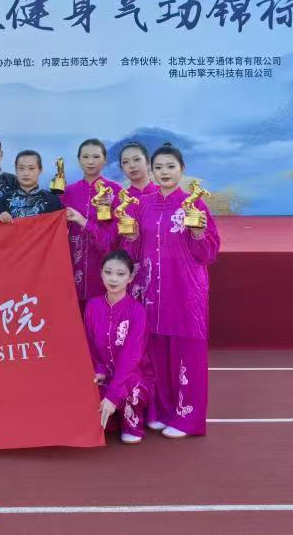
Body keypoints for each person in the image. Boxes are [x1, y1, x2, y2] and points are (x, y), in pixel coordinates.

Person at [121, 143, 220, 439]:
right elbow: (133, 251)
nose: (164, 172)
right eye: (159, 167)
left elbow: (209, 253)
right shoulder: (143, 205)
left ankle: (188, 418)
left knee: (187, 353)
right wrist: (132, 237)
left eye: (170, 166)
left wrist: (199, 233)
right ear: (152, 171)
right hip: (151, 290)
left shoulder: (194, 205)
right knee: (156, 353)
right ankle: (162, 411)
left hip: (185, 291)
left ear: (182, 169)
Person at [84, 251, 154, 445]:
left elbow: (131, 357)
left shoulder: (137, 311)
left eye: (121, 274)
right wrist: (99, 370)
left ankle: (132, 422)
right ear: (101, 273)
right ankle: (112, 418)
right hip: (104, 373)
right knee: (83, 386)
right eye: (108, 272)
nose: (113, 279)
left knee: (131, 386)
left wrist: (113, 395)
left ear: (130, 277)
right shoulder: (92, 306)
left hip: (131, 375)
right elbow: (90, 345)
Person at [61, 139, 122, 306]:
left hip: (104, 270)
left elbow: (114, 238)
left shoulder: (116, 191)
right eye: (85, 157)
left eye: (96, 157)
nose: (90, 161)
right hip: (71, 269)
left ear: (105, 160)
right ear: (79, 159)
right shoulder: (68, 192)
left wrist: (83, 221)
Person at [118, 141, 157, 302]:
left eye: (137, 159)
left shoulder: (163, 196)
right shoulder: (120, 201)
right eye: (125, 162)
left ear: (148, 162)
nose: (132, 165)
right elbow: (113, 241)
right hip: (131, 270)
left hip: (161, 268)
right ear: (121, 168)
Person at [0, 150, 64, 221]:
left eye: (31, 168)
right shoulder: (5, 199)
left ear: (40, 170)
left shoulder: (52, 199)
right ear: (16, 170)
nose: (26, 173)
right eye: (21, 168)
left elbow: (61, 224)